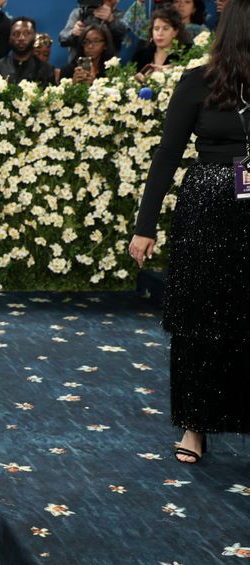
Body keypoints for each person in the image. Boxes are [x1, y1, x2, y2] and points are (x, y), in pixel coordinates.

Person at [128, 0, 250, 465]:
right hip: (207, 216)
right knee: (200, 319)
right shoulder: (197, 81)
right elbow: (167, 157)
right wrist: (145, 227)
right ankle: (194, 425)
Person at [0, 17, 57, 87]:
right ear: (9, 37)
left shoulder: (47, 71)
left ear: (34, 36)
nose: (21, 38)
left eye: (27, 33)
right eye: (16, 34)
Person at [59, 0, 129, 62]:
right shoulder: (79, 12)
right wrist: (73, 33)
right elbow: (62, 39)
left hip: (108, 65)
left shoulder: (120, 15)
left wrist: (111, 21)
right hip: (79, 63)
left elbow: (123, 35)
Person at [133, 8, 190, 78]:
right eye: (156, 29)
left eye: (165, 29)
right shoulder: (140, 55)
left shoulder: (185, 54)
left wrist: (170, 70)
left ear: (175, 32)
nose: (160, 33)